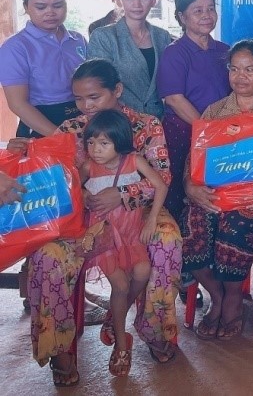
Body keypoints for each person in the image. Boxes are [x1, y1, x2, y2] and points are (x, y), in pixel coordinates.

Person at [16, 59, 181, 386]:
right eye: (79, 99)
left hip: (138, 215)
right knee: (47, 256)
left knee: (167, 240)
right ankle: (60, 345)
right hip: (84, 219)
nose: (86, 107)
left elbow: (161, 178)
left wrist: (122, 194)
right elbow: (54, 179)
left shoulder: (146, 125)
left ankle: (152, 328)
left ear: (117, 90)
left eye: (95, 98)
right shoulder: (70, 130)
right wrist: (27, 152)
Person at [181, 40, 253, 341]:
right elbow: (194, 156)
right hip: (219, 192)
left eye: (249, 69)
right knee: (191, 223)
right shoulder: (216, 110)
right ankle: (216, 294)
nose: (240, 76)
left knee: (236, 223)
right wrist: (191, 186)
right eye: (234, 69)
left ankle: (233, 297)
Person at [80, 109, 169, 377]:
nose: (95, 149)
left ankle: (114, 316)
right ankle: (121, 341)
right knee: (120, 284)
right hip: (105, 237)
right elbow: (72, 186)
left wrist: (152, 219)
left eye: (103, 143)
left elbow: (161, 185)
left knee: (142, 272)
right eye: (91, 142)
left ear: (119, 142)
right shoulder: (87, 167)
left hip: (131, 232)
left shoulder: (134, 161)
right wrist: (83, 193)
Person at [156, 0, 231, 219]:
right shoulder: (175, 52)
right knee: (181, 192)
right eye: (198, 10)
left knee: (218, 191)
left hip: (222, 132)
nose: (206, 15)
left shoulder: (225, 50)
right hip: (184, 132)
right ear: (181, 17)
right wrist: (207, 131)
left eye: (211, 9)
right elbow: (174, 99)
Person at [0, 0, 86, 137]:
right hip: (41, 122)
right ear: (26, 7)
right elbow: (18, 104)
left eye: (58, 5)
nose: (50, 12)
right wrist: (59, 136)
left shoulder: (78, 40)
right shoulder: (15, 47)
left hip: (82, 118)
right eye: (41, 7)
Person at [87, 0, 174, 118]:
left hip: (158, 120)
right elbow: (99, 84)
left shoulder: (162, 36)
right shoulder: (104, 36)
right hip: (119, 121)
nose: (137, 4)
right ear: (118, 0)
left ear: (153, 0)